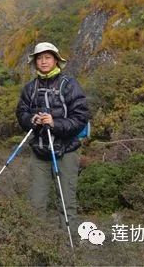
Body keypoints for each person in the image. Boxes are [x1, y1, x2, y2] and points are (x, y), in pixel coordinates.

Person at [15, 42, 89, 226]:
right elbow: (21, 114)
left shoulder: (69, 85)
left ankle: (69, 245)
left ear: (56, 60)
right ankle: (37, 244)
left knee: (66, 202)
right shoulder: (30, 88)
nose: (43, 61)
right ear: (35, 63)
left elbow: (81, 117)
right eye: (39, 58)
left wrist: (54, 123)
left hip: (67, 150)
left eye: (47, 57)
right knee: (36, 203)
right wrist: (32, 119)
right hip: (40, 151)